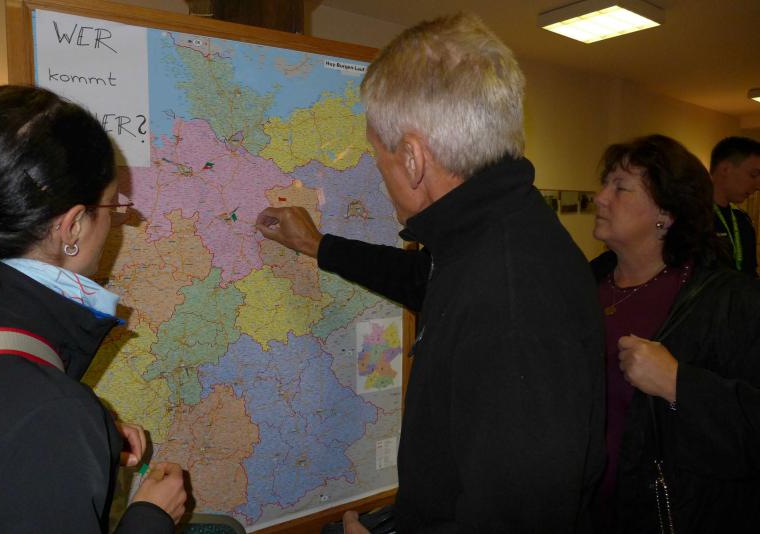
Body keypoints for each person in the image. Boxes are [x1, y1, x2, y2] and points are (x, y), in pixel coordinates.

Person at [256, 13, 605, 532]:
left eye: (379, 158)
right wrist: (318, 246)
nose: (381, 174)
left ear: (413, 159)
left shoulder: (512, 303)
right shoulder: (492, 233)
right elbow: (429, 282)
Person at [0, 85, 187, 532]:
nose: (114, 222)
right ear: (73, 227)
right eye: (112, 207)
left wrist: (88, 436)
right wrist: (151, 517)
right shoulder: (48, 415)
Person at [590, 134, 760, 532]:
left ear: (665, 214)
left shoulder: (729, 301)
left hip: (670, 516)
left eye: (620, 188)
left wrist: (678, 383)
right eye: (605, 184)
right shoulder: (585, 283)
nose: (600, 198)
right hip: (585, 512)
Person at [709, 136, 760, 277]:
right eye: (753, 175)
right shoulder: (692, 218)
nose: (758, 186)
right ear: (725, 169)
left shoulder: (743, 220)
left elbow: (750, 273)